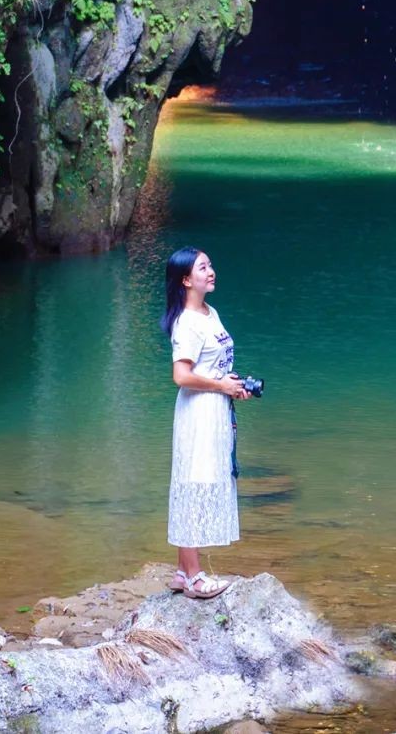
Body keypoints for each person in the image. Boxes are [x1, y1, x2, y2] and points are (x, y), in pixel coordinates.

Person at [160, 246, 250, 598]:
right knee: (194, 483)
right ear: (186, 280)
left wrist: (232, 385)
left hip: (215, 407)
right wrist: (219, 385)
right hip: (197, 412)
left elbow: (212, 365)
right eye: (202, 268)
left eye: (210, 265)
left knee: (198, 480)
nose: (211, 271)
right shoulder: (187, 322)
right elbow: (181, 376)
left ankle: (183, 571)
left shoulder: (210, 313)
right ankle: (196, 578)